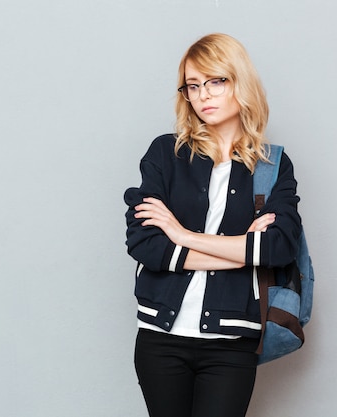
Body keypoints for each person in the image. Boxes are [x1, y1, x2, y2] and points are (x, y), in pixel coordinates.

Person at [123, 33, 302, 417]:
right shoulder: (165, 154)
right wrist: (242, 252)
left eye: (216, 81)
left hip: (232, 342)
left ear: (240, 83)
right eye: (193, 85)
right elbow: (145, 244)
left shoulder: (272, 166)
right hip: (160, 339)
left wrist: (182, 234)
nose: (203, 95)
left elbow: (278, 248)